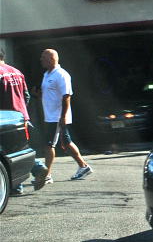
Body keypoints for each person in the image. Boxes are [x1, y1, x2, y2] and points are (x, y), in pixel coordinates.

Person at [37, 49, 92, 188]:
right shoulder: (46, 74)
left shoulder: (61, 75)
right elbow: (50, 94)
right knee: (66, 143)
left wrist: (62, 117)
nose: (40, 59)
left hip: (57, 116)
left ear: (51, 59)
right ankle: (83, 166)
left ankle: (47, 175)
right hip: (50, 116)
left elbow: (66, 96)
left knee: (49, 145)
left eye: (43, 57)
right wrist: (37, 94)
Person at [0, 48, 47, 194]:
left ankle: (37, 167)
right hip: (21, 117)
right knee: (16, 150)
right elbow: (26, 96)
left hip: (5, 120)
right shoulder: (16, 71)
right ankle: (16, 186)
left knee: (8, 151)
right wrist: (20, 111)